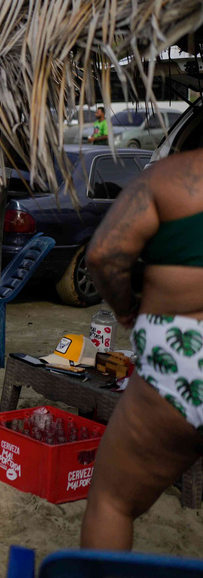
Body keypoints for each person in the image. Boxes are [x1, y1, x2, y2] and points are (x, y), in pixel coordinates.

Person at [80, 147, 203, 549]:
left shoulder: (173, 176)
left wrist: (128, 309)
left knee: (112, 501)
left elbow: (102, 255)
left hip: (186, 351)